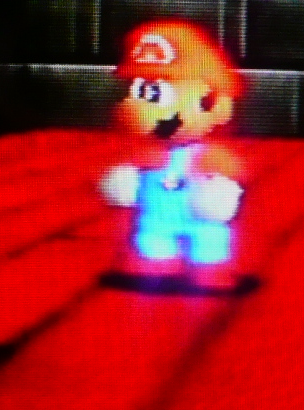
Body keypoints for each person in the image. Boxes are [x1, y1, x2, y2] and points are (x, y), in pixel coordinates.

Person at [99, 20, 246, 292]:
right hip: (156, 222)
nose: (137, 109)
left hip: (202, 221)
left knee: (210, 247)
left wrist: (217, 196)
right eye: (138, 92)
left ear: (216, 104)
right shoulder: (143, 154)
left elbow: (224, 185)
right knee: (152, 253)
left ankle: (209, 270)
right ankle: (155, 271)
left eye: (154, 94)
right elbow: (124, 185)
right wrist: (122, 183)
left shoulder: (209, 156)